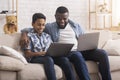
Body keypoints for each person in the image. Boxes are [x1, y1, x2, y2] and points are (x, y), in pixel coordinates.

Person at [20, 6, 112, 80]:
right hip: (69, 52)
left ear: (68, 17)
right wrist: (24, 34)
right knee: (76, 55)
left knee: (102, 53)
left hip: (81, 49)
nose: (62, 21)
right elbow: (33, 28)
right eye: (59, 19)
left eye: (65, 18)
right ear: (55, 16)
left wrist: (88, 45)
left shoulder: (76, 26)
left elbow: (83, 38)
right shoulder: (50, 27)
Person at [20, 13, 77, 80]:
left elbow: (52, 48)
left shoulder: (47, 36)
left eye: (43, 25)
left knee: (64, 59)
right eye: (39, 25)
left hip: (49, 56)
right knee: (48, 59)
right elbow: (27, 54)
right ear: (33, 24)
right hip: (36, 58)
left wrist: (57, 52)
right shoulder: (28, 36)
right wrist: (41, 53)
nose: (41, 27)